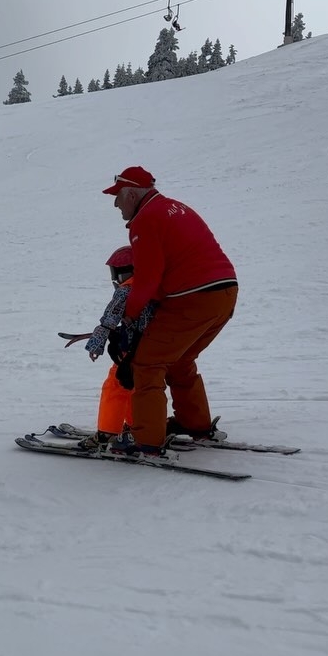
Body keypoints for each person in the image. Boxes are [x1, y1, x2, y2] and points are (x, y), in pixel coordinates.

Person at [101, 166, 238, 457]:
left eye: (117, 197)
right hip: (225, 294)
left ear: (131, 194)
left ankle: (147, 441)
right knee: (180, 359)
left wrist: (130, 314)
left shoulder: (146, 219)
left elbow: (147, 278)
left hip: (193, 298)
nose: (115, 204)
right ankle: (195, 424)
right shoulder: (176, 207)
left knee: (147, 364)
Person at [78, 246, 135, 451]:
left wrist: (97, 344)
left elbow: (109, 320)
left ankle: (107, 433)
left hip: (130, 349)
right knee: (136, 387)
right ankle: (136, 428)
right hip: (153, 348)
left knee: (116, 385)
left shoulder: (126, 289)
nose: (116, 279)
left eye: (117, 273)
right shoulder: (155, 285)